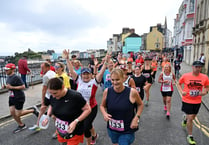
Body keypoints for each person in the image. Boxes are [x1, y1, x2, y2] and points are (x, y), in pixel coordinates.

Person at [64, 49, 110, 145]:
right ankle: (94, 135)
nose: (85, 76)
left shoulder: (94, 82)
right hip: (80, 108)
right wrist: (67, 59)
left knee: (86, 126)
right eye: (84, 74)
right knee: (87, 125)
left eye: (87, 74)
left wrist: (106, 62)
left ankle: (89, 143)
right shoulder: (78, 80)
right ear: (81, 75)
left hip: (91, 108)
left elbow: (101, 73)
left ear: (90, 74)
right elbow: (71, 70)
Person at [100, 68, 144, 145]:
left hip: (127, 129)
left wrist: (136, 118)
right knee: (115, 143)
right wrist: (104, 114)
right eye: (112, 80)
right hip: (112, 128)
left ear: (123, 79)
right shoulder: (107, 91)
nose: (115, 82)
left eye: (117, 79)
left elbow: (140, 104)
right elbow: (102, 106)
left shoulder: (132, 92)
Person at [42, 77, 91, 145]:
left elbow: (88, 109)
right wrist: (48, 116)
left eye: (55, 93)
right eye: (51, 93)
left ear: (62, 87)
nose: (53, 96)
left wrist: (75, 121)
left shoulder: (75, 96)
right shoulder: (52, 96)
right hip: (61, 131)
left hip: (75, 131)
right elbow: (52, 105)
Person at [178, 61, 209, 145]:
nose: (198, 69)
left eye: (200, 67)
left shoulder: (205, 77)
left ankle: (185, 119)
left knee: (193, 116)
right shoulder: (185, 76)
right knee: (191, 118)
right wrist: (181, 91)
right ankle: (190, 136)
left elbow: (206, 87)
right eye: (196, 67)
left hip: (197, 101)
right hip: (187, 100)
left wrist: (204, 92)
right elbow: (179, 84)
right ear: (192, 67)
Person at [2, 63, 39, 133]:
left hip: (19, 97)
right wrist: (5, 87)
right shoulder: (8, 77)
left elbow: (23, 86)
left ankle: (33, 110)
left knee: (18, 114)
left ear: (12, 69)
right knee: (12, 113)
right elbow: (9, 86)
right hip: (11, 97)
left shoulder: (16, 77)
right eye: (5, 70)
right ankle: (21, 125)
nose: (5, 71)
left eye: (7, 70)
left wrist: (11, 87)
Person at [29, 62, 56, 136]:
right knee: (43, 109)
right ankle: (38, 124)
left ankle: (58, 131)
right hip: (52, 95)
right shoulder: (53, 73)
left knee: (54, 115)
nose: (41, 69)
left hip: (50, 96)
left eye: (42, 68)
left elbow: (44, 89)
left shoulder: (46, 76)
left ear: (47, 67)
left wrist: (42, 100)